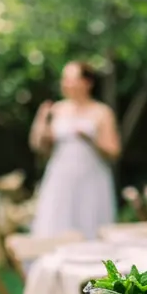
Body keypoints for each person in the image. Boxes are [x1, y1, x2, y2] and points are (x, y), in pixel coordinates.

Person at [29, 61, 120, 238]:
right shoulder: (56, 109)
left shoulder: (102, 112)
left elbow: (114, 151)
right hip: (61, 176)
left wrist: (90, 139)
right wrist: (41, 120)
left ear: (87, 82)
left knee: (90, 222)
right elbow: (38, 146)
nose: (66, 84)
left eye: (71, 79)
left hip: (91, 178)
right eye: (64, 79)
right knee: (56, 223)